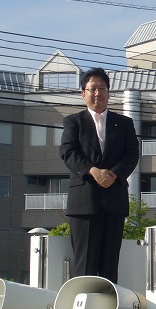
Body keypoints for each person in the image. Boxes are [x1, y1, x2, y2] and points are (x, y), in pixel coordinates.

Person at [59, 68, 139, 284]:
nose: (97, 93)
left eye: (102, 88)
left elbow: (132, 154)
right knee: (84, 264)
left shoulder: (124, 123)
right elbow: (67, 151)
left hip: (114, 201)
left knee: (109, 265)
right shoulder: (73, 122)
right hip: (84, 202)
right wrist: (93, 171)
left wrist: (113, 175)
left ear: (109, 92)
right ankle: (81, 307)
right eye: (92, 89)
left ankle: (107, 307)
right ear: (83, 94)